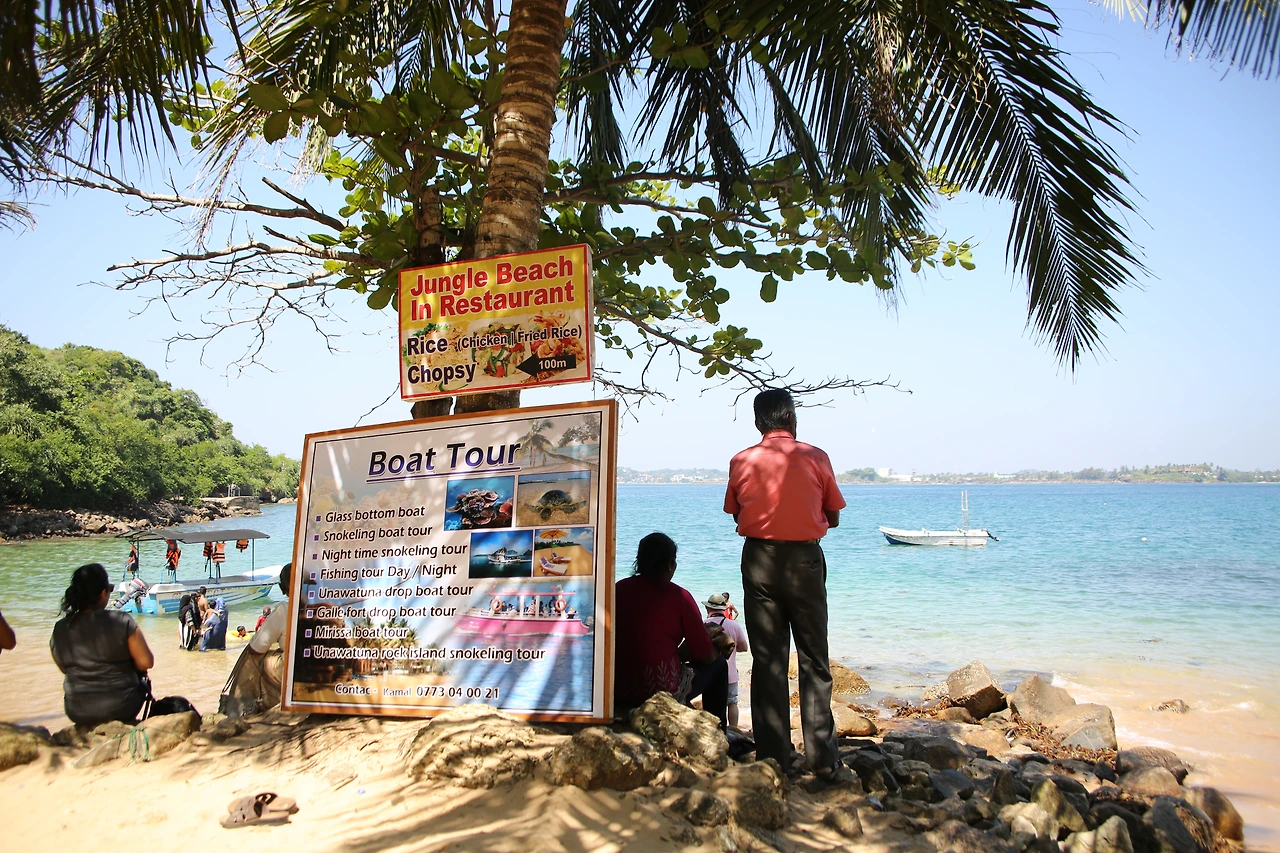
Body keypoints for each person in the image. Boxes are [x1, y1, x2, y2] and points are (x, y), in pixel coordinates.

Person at [724, 389, 852, 783]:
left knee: (768, 660)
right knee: (813, 657)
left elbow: (736, 514)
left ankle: (774, 755)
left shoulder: (741, 460)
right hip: (804, 562)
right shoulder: (816, 457)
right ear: (792, 419)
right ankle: (823, 758)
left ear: (757, 422)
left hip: (759, 560)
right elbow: (833, 516)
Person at [614, 533, 730, 729]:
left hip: (618, 687)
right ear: (670, 564)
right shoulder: (680, 596)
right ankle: (718, 731)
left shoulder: (618, 589)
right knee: (718, 666)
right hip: (659, 691)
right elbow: (707, 656)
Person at [49, 563, 155, 726]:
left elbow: (64, 668)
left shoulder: (60, 627)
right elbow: (146, 662)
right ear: (102, 594)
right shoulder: (121, 621)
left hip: (76, 709)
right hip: (122, 706)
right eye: (109, 589)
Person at [221, 563, 292, 716]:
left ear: (282, 588)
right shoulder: (326, 607)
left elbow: (257, 647)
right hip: (323, 665)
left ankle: (239, 708)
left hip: (295, 669)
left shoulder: (285, 609)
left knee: (251, 658)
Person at [704, 593, 749, 729]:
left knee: (711, 704)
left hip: (709, 674)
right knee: (732, 702)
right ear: (724, 608)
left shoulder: (704, 625)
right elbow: (744, 647)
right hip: (730, 673)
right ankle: (733, 730)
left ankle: (712, 731)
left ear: (708, 608)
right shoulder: (734, 625)